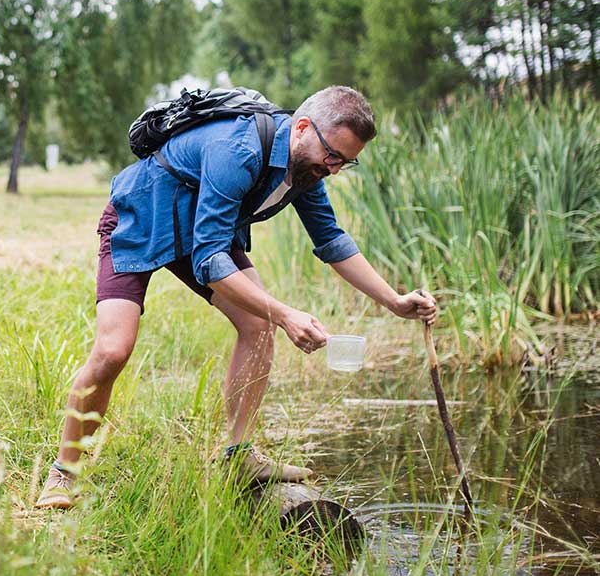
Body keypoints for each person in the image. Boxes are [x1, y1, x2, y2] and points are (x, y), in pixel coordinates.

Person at [35, 86, 438, 509]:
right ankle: (64, 472)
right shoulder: (239, 149)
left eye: (346, 162)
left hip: (202, 231)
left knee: (256, 324)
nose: (335, 170)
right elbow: (212, 261)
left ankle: (239, 455)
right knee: (114, 349)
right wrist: (285, 313)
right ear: (302, 129)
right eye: (333, 156)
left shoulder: (306, 171)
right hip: (141, 216)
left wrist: (394, 301)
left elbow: (332, 240)